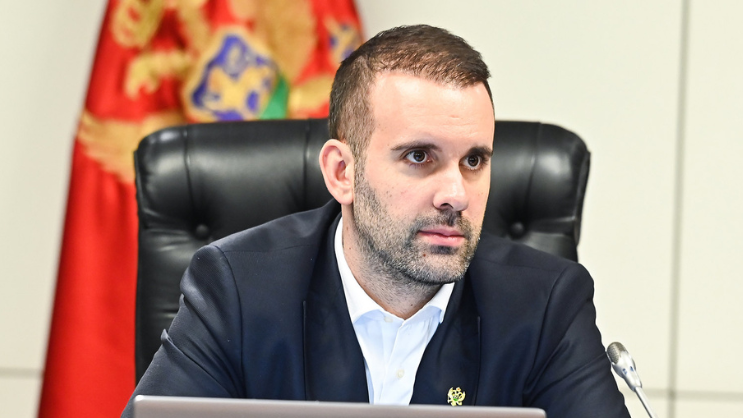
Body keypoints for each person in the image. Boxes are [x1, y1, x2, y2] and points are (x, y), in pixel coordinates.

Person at [122, 25, 630, 418]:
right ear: (342, 172)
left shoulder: (546, 304)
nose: (456, 194)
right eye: (419, 157)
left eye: (474, 161)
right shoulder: (237, 288)